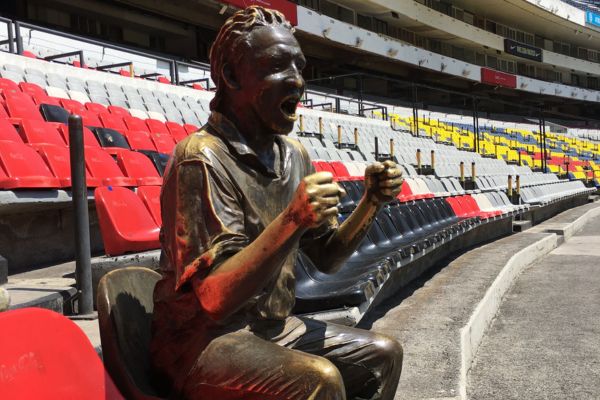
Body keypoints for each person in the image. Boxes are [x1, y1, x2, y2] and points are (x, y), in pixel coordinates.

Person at [151, 6, 404, 399]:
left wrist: (371, 201)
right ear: (232, 76)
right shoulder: (201, 158)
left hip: (273, 329)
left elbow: (327, 258)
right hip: (203, 343)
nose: (297, 81)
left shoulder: (294, 155)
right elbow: (214, 299)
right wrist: (293, 218)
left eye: (299, 66)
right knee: (319, 379)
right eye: (277, 66)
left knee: (383, 354)